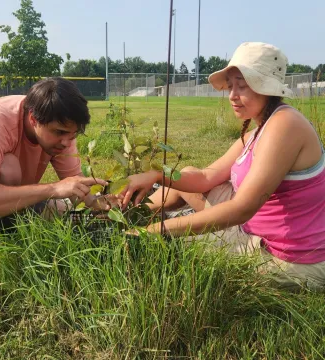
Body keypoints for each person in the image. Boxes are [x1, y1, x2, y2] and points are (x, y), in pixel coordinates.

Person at [121, 42, 325, 289]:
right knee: (187, 175)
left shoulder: (285, 124)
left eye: (243, 85)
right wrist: (156, 175)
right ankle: (127, 215)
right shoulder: (260, 129)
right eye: (230, 86)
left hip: (286, 255)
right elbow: (207, 177)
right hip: (255, 226)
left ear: (267, 88)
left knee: (176, 247)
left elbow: (242, 209)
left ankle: (140, 228)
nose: (232, 95)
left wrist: (159, 230)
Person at [0, 77, 108, 248]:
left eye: (73, 135)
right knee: (8, 168)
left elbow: (75, 183)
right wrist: (53, 189)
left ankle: (1, 227)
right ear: (33, 119)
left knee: (62, 211)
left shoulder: (61, 132)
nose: (66, 143)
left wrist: (97, 203)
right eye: (59, 132)